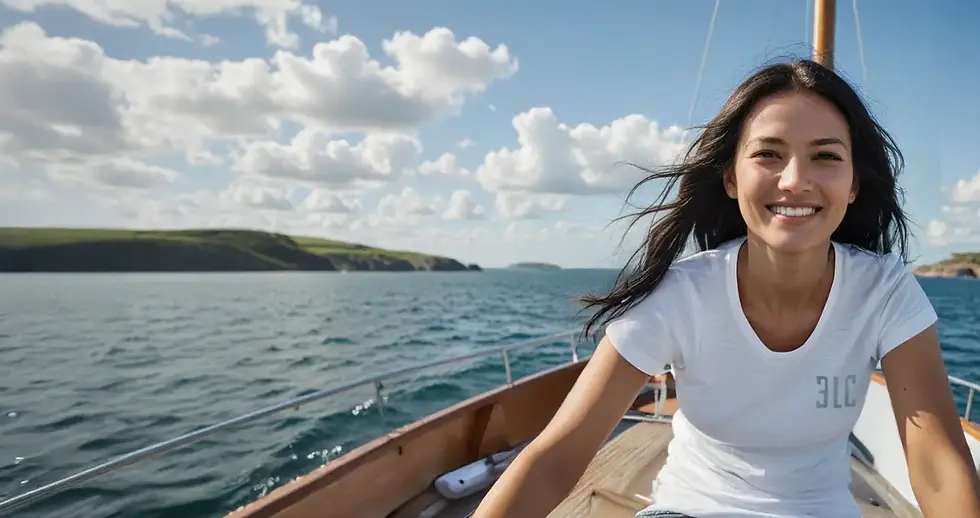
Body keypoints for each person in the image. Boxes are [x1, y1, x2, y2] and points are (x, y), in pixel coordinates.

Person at [471, 59, 980, 518]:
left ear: (853, 184)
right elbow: (557, 456)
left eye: (825, 156)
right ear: (731, 178)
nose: (795, 180)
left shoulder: (885, 291)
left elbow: (937, 466)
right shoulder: (681, 294)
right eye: (768, 154)